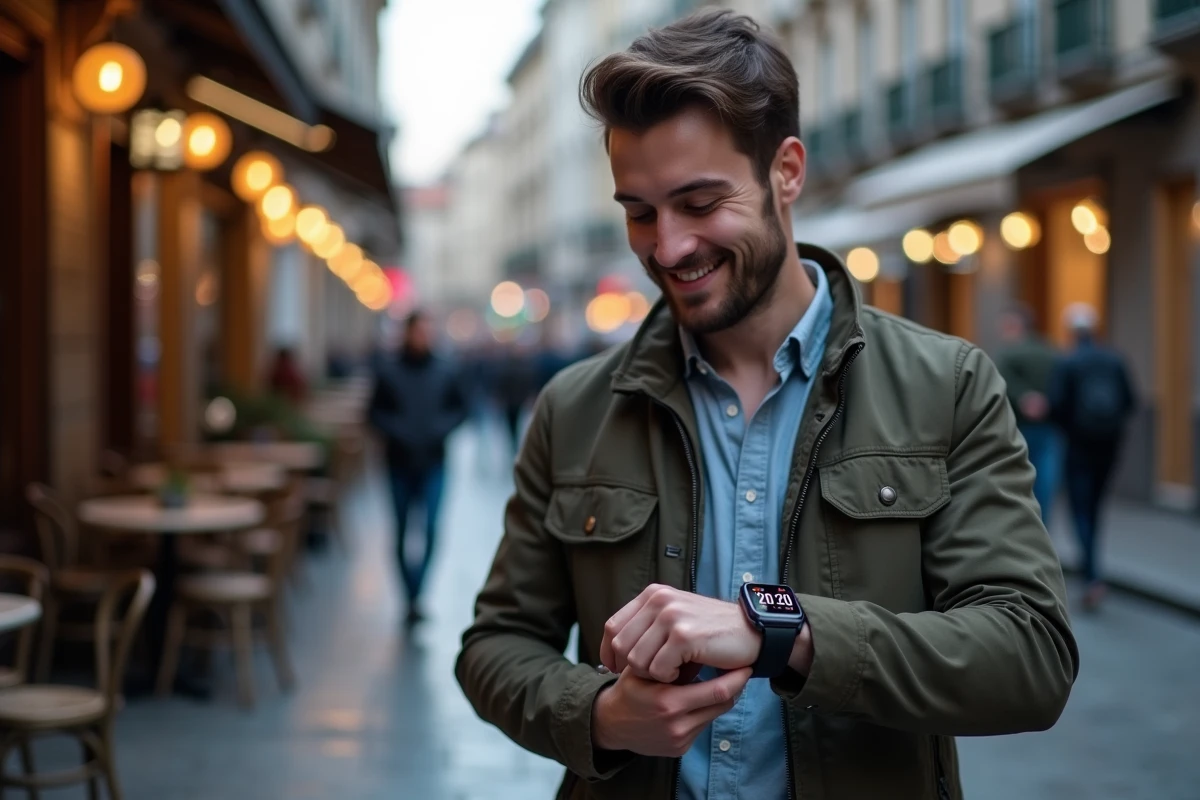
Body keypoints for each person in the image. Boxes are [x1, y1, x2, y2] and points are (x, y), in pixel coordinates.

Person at [456, 11, 1077, 800]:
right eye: (640, 211)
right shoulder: (574, 407)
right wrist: (603, 715)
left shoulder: (946, 383)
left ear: (786, 171)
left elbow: (1031, 657)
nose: (668, 246)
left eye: (700, 201)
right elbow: (495, 646)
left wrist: (782, 632)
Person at [368, 311, 468, 626]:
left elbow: (461, 408)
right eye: (419, 331)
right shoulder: (388, 370)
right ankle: (408, 596)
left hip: (434, 462)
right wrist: (398, 431)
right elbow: (373, 413)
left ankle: (418, 593)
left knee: (430, 530)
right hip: (398, 463)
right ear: (407, 333)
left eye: (428, 331)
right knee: (400, 531)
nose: (423, 337)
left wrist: (439, 429)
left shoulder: (446, 370)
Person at [1049, 303, 1135, 611]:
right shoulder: (1114, 360)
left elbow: (1056, 406)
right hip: (1108, 446)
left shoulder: (1068, 363)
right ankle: (1093, 570)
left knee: (1080, 509)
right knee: (1096, 507)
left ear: (1071, 331)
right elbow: (1130, 401)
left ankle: (1091, 575)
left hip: (1078, 446)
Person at [994, 304, 1063, 523]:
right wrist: (1044, 402)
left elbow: (999, 383)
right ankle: (1044, 527)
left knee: (1016, 482)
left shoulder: (1007, 354)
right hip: (1049, 425)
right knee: (1045, 482)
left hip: (1017, 426)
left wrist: (1024, 397)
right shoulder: (1050, 350)